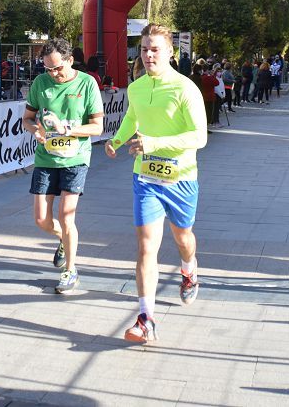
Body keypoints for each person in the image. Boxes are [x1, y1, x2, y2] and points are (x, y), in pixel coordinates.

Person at [105, 23, 208, 343]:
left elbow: (199, 137)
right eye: (144, 49)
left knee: (183, 238)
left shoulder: (185, 88)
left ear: (170, 53)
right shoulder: (136, 87)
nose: (148, 55)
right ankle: (146, 317)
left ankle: (189, 270)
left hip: (180, 177)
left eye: (155, 49)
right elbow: (132, 117)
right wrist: (118, 140)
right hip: (146, 176)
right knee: (146, 246)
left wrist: (154, 143)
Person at [21, 38, 104, 294]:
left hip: (75, 158)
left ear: (70, 60)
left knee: (66, 215)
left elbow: (97, 127)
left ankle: (70, 269)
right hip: (46, 158)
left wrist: (67, 128)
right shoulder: (40, 83)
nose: (53, 74)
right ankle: (62, 240)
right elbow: (27, 118)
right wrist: (35, 130)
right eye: (48, 69)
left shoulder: (87, 83)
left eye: (57, 68)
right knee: (41, 220)